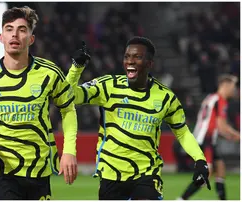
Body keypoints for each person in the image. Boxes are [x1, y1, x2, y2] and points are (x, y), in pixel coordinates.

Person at [0, 6, 78, 200]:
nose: (15, 35)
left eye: (22, 30)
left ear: (31, 39)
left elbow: (68, 109)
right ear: (1, 37)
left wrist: (69, 151)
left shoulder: (50, 73)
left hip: (38, 170)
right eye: (9, 29)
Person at [66, 37, 210, 200]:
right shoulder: (108, 86)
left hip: (147, 175)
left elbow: (182, 132)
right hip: (111, 175)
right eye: (127, 56)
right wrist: (76, 68)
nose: (130, 61)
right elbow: (70, 96)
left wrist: (200, 159)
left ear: (149, 63)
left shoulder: (166, 98)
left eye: (137, 57)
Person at [179, 74, 240, 200]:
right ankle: (181, 199)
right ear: (225, 86)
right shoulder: (220, 100)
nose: (234, 90)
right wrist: (237, 135)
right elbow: (221, 126)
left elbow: (214, 124)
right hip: (205, 140)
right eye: (233, 87)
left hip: (207, 139)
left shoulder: (210, 98)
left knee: (221, 169)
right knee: (206, 175)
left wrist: (230, 135)